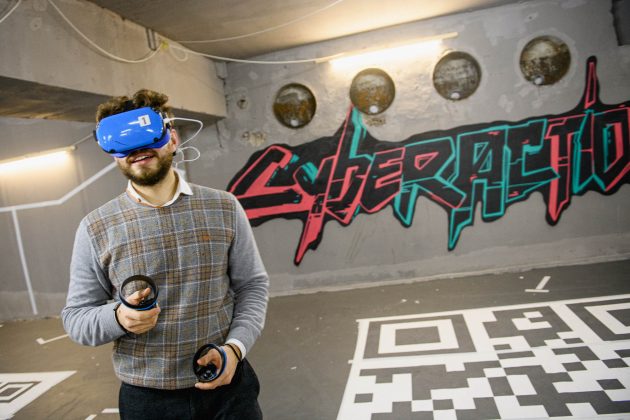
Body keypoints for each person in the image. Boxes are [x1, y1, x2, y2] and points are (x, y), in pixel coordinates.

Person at [61, 89, 269, 420]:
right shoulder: (95, 228)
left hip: (229, 387)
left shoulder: (225, 207)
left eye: (147, 137)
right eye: (123, 143)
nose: (137, 150)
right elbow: (76, 319)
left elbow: (252, 286)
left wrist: (235, 348)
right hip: (148, 400)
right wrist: (119, 318)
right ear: (113, 153)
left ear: (172, 138)